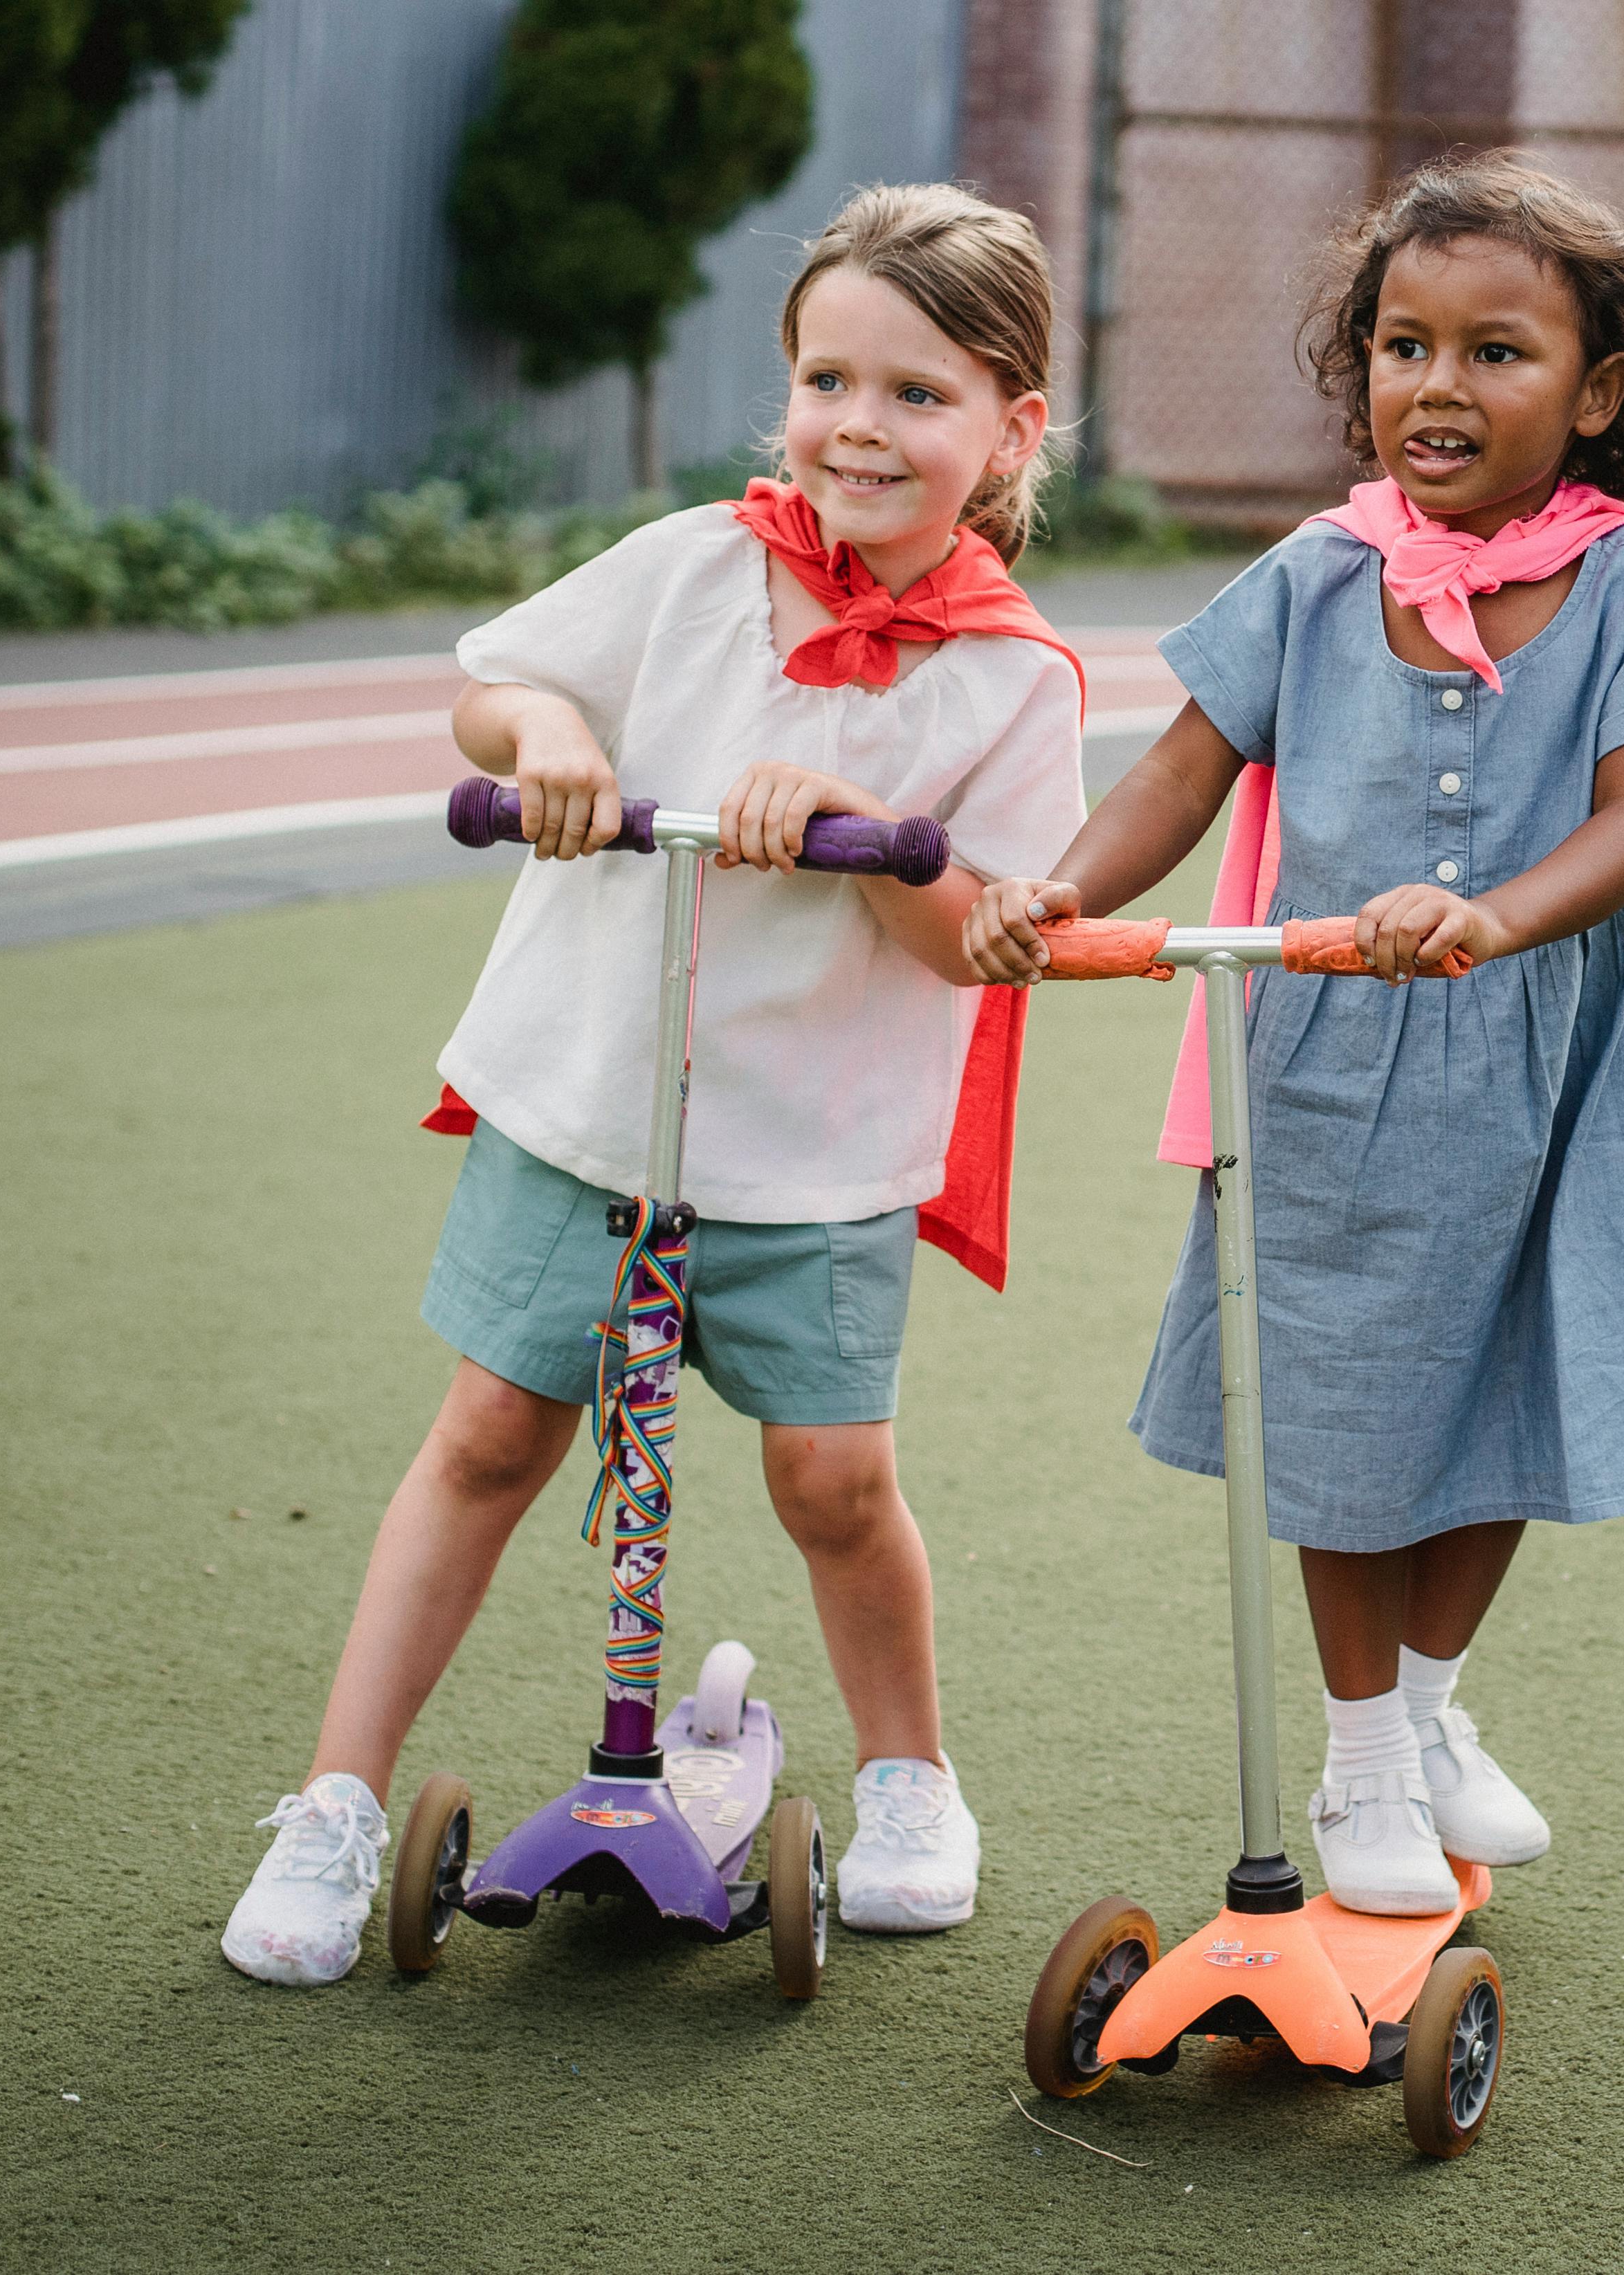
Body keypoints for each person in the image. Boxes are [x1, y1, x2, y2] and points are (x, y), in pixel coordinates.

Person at [224, 183, 1088, 1985]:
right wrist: (549, 735)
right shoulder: (695, 562)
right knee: (484, 1440)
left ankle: (913, 1780)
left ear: (1011, 428)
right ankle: (333, 1802)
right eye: (826, 378)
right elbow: (498, 694)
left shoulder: (1010, 678)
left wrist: (855, 844)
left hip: (819, 1152)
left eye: (917, 395)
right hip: (589, 1107)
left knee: (838, 1483)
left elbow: (978, 940)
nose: (859, 425)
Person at [964, 152, 1624, 1914]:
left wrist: (1494, 913)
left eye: (1496, 353)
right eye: (1402, 346)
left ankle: (1439, 1712)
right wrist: (1064, 892)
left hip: (1561, 1045)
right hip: (1333, 1053)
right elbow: (1183, 761)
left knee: (1517, 1375)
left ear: (1597, 392)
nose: (1438, 387)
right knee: (1342, 1395)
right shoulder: (1319, 573)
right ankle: (1363, 1758)